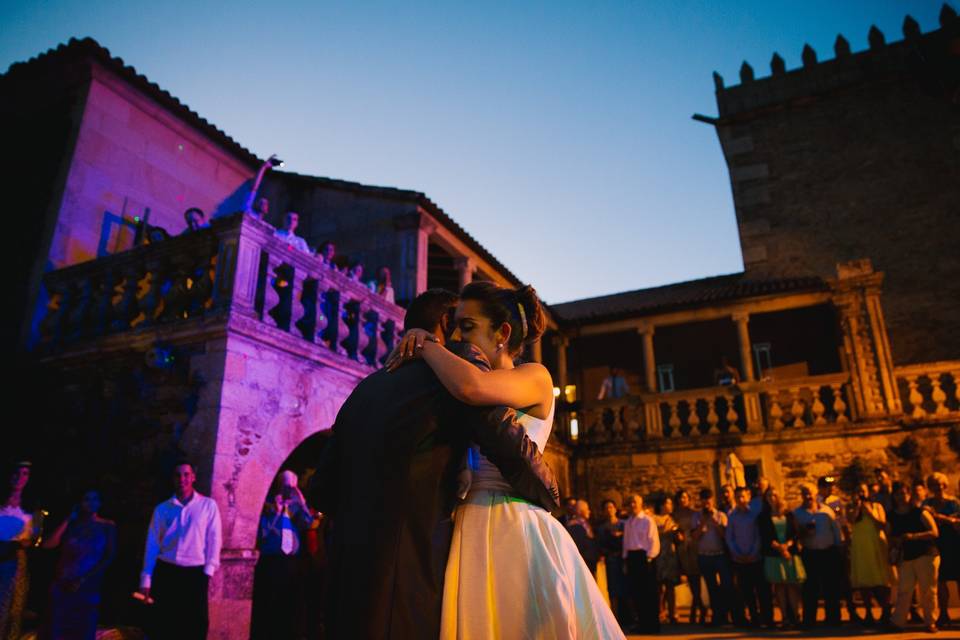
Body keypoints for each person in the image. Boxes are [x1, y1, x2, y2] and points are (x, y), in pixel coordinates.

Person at [307, 288, 563, 639]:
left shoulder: (365, 389)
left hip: (348, 571)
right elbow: (510, 447)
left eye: (468, 326)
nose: (462, 338)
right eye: (459, 327)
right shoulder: (449, 382)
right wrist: (549, 491)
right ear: (445, 326)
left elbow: (321, 489)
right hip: (416, 560)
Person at [389, 281, 624, 638]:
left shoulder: (535, 376)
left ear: (502, 333)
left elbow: (473, 388)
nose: (455, 335)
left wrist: (426, 343)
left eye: (466, 327)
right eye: (453, 326)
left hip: (515, 521)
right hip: (467, 520)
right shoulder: (458, 375)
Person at [138, 460, 222, 640]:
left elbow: (214, 539)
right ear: (173, 479)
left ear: (193, 477)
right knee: (165, 623)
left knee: (194, 624)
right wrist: (146, 579)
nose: (182, 479)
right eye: (178, 475)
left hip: (195, 574)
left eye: (186, 474)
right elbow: (152, 544)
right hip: (167, 571)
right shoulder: (162, 509)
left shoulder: (208, 506)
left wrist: (208, 571)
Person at [40, 489, 117, 640]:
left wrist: (84, 579)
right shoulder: (72, 524)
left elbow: (109, 556)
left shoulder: (108, 526)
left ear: (100, 503)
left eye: (95, 499)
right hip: (63, 584)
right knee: (57, 631)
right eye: (86, 499)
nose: (91, 503)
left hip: (88, 586)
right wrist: (68, 519)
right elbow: (48, 544)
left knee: (83, 631)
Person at [250, 471, 316, 640]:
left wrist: (301, 502)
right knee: (271, 606)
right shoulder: (267, 506)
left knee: (291, 607)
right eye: (286, 486)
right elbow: (262, 534)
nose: (289, 490)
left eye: (293, 487)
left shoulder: (295, 508)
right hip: (272, 563)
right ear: (278, 485)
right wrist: (276, 513)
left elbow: (309, 523)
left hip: (292, 563)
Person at [889, 481, 940, 633]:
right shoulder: (892, 515)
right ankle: (898, 622)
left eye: (903, 493)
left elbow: (934, 532)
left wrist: (913, 536)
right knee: (904, 591)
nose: (900, 497)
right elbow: (890, 535)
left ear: (909, 494)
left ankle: (930, 622)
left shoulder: (920, 512)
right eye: (897, 494)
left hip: (926, 554)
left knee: (928, 590)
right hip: (906, 556)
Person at [793, 482, 842, 627]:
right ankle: (809, 620)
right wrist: (804, 532)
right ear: (802, 496)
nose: (808, 496)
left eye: (810, 492)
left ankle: (833, 619)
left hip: (828, 552)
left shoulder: (827, 511)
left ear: (816, 494)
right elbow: (795, 534)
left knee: (831, 586)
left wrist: (839, 548)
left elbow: (836, 531)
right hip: (810, 552)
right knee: (810, 588)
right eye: (805, 493)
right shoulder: (797, 513)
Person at [758, 487, 804, 628]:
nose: (772, 498)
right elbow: (765, 536)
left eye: (774, 495)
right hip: (773, 555)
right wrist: (779, 547)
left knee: (791, 585)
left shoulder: (789, 514)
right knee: (779, 587)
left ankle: (795, 616)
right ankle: (784, 616)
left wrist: (787, 546)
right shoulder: (763, 517)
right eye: (769, 496)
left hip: (789, 554)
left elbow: (796, 533)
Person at [726, 486, 772, 627]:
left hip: (755, 558)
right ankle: (754, 619)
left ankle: (768, 619)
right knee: (747, 592)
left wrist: (753, 553)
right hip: (740, 559)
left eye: (743, 496)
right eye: (738, 497)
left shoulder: (755, 515)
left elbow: (758, 536)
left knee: (762, 590)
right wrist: (737, 553)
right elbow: (730, 537)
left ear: (748, 496)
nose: (740, 499)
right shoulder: (732, 516)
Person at [847, 483, 892, 626]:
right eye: (858, 491)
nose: (861, 493)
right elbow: (851, 521)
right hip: (861, 548)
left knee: (881, 580)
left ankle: (886, 610)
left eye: (863, 491)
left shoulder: (877, 506)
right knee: (864, 580)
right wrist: (858, 507)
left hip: (876, 545)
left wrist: (870, 513)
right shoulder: (851, 507)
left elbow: (882, 524)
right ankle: (868, 613)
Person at [0, 462, 33, 640]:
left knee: (13, 607)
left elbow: (33, 538)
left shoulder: (30, 507)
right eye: (17, 473)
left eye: (25, 474)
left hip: (15, 557)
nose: (20, 477)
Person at [692, 488, 732, 626]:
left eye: (708, 499)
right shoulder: (697, 517)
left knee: (726, 586)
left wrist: (715, 523)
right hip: (705, 556)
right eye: (703, 500)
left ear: (712, 500)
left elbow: (725, 536)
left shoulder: (721, 515)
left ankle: (726, 615)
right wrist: (702, 523)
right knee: (711, 588)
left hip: (720, 556)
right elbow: (694, 537)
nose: (706, 502)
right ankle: (716, 617)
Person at [925, 472, 960, 629]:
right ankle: (944, 613)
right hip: (937, 544)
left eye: (940, 484)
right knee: (940, 581)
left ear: (945, 485)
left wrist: (939, 517)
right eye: (934, 485)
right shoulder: (927, 503)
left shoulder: (954, 503)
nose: (938, 487)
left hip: (954, 543)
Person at [622, 494, 660, 634]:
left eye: (635, 502)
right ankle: (642, 623)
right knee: (637, 593)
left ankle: (652, 625)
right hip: (632, 558)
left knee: (649, 593)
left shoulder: (647, 521)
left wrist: (649, 558)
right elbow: (626, 542)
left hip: (645, 558)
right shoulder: (628, 522)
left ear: (641, 503)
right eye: (630, 502)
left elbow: (654, 541)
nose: (632, 505)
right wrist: (625, 559)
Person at [673, 489, 705, 625]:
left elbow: (700, 529)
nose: (682, 500)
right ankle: (699, 608)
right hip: (682, 549)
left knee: (695, 578)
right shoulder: (674, 515)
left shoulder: (695, 514)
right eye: (680, 498)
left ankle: (697, 609)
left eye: (685, 497)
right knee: (690, 579)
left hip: (694, 547)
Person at [652, 496, 681, 625]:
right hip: (658, 554)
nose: (671, 506)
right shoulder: (653, 519)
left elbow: (678, 537)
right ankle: (660, 612)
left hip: (670, 554)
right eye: (669, 503)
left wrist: (678, 536)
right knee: (659, 587)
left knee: (670, 586)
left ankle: (672, 612)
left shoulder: (673, 519)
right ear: (663, 505)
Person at [597, 499, 626, 624]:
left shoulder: (624, 524)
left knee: (626, 588)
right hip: (611, 560)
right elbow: (601, 545)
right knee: (613, 589)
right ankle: (615, 618)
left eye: (611, 507)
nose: (609, 510)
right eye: (606, 508)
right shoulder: (602, 528)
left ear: (615, 508)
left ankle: (630, 617)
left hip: (624, 559)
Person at [566, 500, 600, 576]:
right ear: (581, 511)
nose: (589, 511)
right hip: (583, 562)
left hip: (590, 561)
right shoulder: (574, 526)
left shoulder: (586, 523)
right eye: (587, 509)